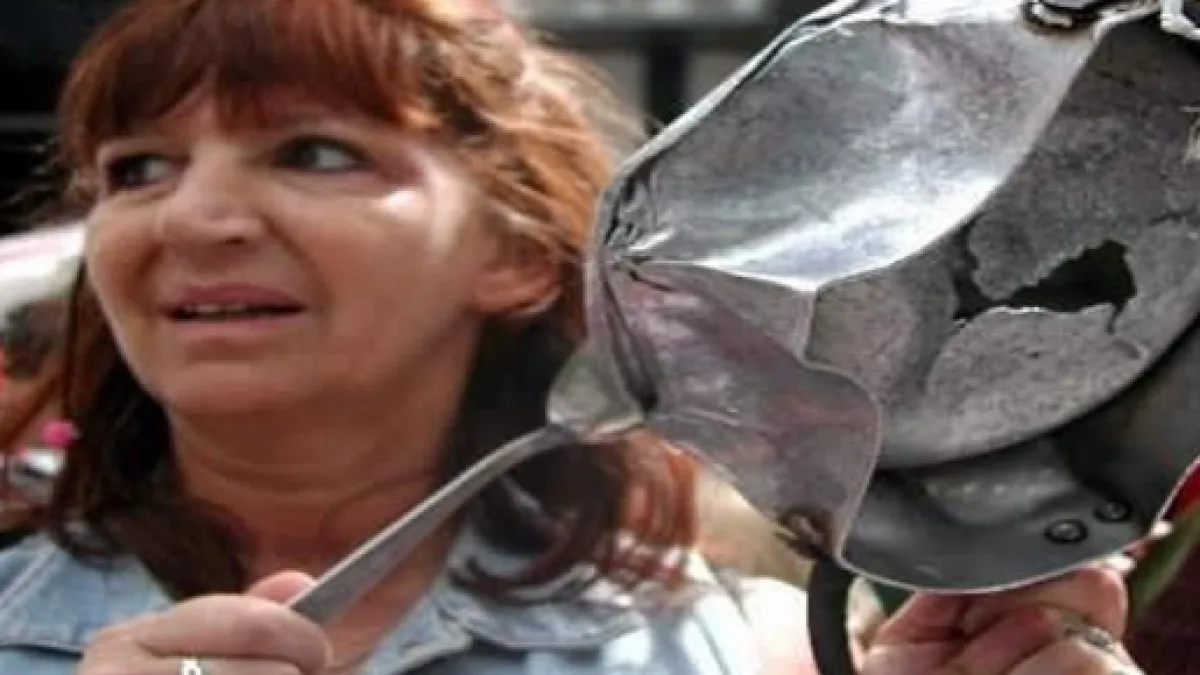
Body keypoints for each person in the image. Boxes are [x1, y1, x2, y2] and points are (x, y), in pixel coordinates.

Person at [0, 0, 1143, 673]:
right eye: (136, 170)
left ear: (513, 255)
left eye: (314, 152)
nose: (190, 219)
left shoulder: (750, 651)